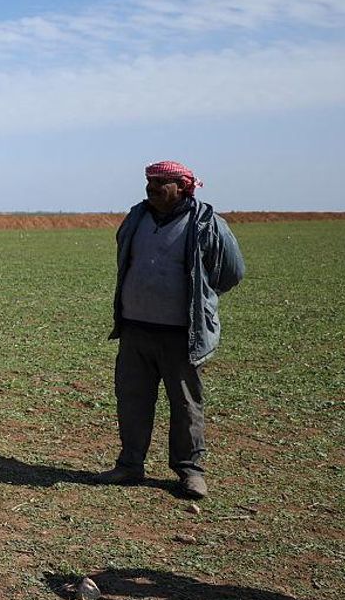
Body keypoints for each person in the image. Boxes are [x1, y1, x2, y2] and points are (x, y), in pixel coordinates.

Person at [96, 160, 245, 499]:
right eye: (150, 180)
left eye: (161, 181)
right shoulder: (136, 218)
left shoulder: (206, 223)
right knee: (132, 400)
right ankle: (130, 465)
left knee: (186, 404)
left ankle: (190, 471)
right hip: (135, 330)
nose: (152, 187)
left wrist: (202, 297)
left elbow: (233, 272)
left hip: (181, 334)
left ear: (183, 187)